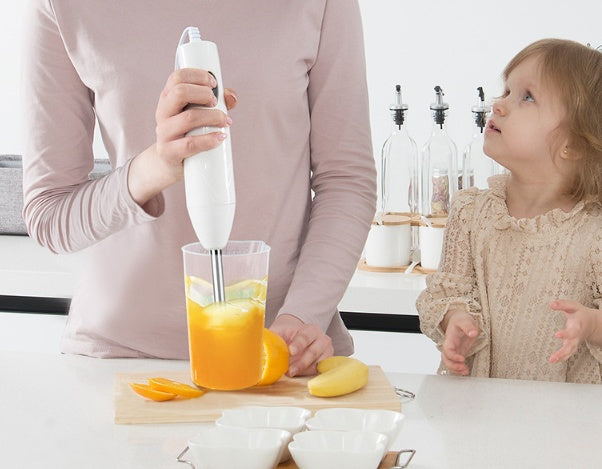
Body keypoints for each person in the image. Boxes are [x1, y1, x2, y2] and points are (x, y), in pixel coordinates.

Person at [21, 0, 377, 377]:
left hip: (281, 356)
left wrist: (302, 316)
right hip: (123, 360)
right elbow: (50, 214)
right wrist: (156, 166)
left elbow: (346, 180)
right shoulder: (62, 6)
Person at [417, 39, 602, 383]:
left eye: (527, 96)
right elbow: (448, 292)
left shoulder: (593, 233)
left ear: (573, 144)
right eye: (505, 90)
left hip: (566, 429)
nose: (498, 105)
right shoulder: (471, 212)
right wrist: (455, 319)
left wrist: (591, 324)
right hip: (477, 416)